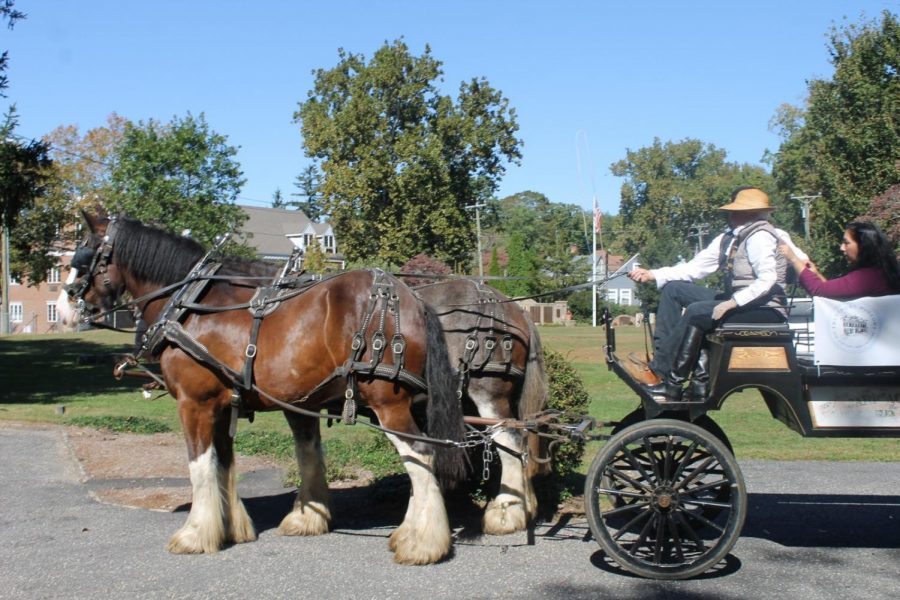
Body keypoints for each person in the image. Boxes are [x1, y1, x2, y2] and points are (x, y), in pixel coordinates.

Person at [626, 186, 804, 402]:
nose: (730, 215)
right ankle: (660, 364)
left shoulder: (762, 237)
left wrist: (732, 303)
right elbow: (694, 268)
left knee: (697, 311)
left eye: (735, 211)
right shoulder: (730, 238)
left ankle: (669, 382)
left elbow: (768, 279)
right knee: (673, 289)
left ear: (750, 213)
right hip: (742, 302)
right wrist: (652, 274)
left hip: (765, 308)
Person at [780, 220, 900, 298]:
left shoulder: (867, 278)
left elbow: (818, 290)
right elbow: (833, 295)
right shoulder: (884, 272)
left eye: (846, 243)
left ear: (863, 246)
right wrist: (816, 274)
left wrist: (793, 258)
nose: (842, 248)